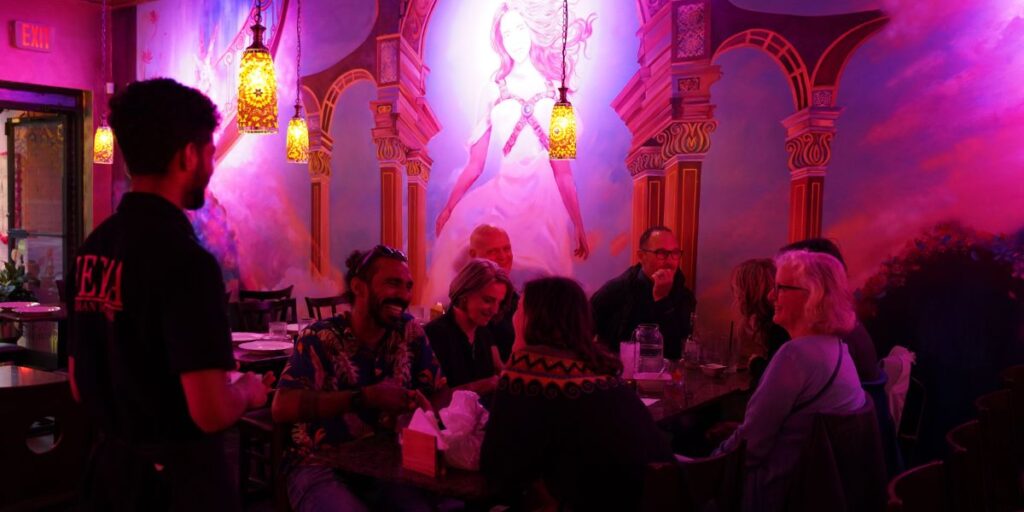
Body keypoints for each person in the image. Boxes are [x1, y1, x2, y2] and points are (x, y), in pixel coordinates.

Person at [68, 78, 273, 511]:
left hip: (108, 476)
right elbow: (211, 411)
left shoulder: (94, 248)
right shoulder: (187, 263)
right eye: (211, 152)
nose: (212, 166)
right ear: (188, 154)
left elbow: (78, 383)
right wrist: (249, 392)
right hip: (175, 487)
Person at [425, 0, 595, 305]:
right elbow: (475, 164)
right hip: (502, 198)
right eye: (507, 33)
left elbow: (562, 171)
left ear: (530, 29)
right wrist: (450, 207)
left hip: (543, 201)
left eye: (519, 28)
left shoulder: (558, 89)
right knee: (469, 260)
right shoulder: (493, 88)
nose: (514, 37)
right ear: (500, 41)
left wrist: (579, 224)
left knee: (543, 287)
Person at [272, 245, 446, 512]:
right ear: (359, 287)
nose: (403, 295)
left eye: (408, 286)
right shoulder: (319, 338)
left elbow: (437, 392)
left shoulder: (410, 333)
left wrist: (423, 407)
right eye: (392, 283)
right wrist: (365, 398)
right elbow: (281, 407)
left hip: (386, 463)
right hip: (319, 464)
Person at [481, 277, 673, 510]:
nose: (513, 317)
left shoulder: (526, 368)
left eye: (520, 309)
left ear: (532, 320)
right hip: (662, 496)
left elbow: (496, 468)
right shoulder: (598, 365)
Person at [716, 250, 866, 512]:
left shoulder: (795, 355)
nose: (771, 296)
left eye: (779, 288)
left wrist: (706, 463)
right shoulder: (837, 348)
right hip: (817, 491)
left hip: (778, 492)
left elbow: (752, 447)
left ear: (812, 294)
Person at [779, 238, 879, 380]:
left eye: (784, 286)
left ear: (816, 284)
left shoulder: (834, 340)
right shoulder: (844, 323)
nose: (773, 295)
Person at [590, 226, 696, 359]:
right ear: (641, 256)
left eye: (675, 253)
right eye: (661, 253)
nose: (670, 261)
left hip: (666, 377)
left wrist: (662, 300)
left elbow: (675, 352)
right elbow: (581, 333)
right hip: (619, 374)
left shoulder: (685, 296)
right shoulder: (616, 291)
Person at [425, 259, 512, 397]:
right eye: (488, 300)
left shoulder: (484, 334)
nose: (495, 310)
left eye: (499, 303)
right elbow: (433, 399)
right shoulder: (435, 334)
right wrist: (484, 385)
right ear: (465, 293)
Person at [731, 258, 790, 387]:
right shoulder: (756, 322)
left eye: (737, 289)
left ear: (749, 292)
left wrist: (755, 362)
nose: (735, 295)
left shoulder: (777, 327)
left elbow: (776, 376)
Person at [468, 224, 518, 361]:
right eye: (493, 251)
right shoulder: (465, 307)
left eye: (506, 249)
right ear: (473, 255)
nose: (503, 256)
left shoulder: (519, 302)